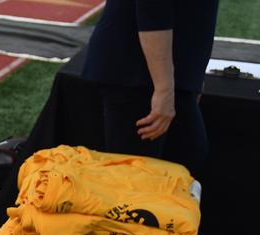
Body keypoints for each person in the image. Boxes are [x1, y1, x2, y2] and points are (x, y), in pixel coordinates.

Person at [82, 0, 220, 176]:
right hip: (137, 73)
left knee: (186, 155)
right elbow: (153, 11)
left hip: (162, 72)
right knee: (139, 175)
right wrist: (164, 88)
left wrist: (193, 76)